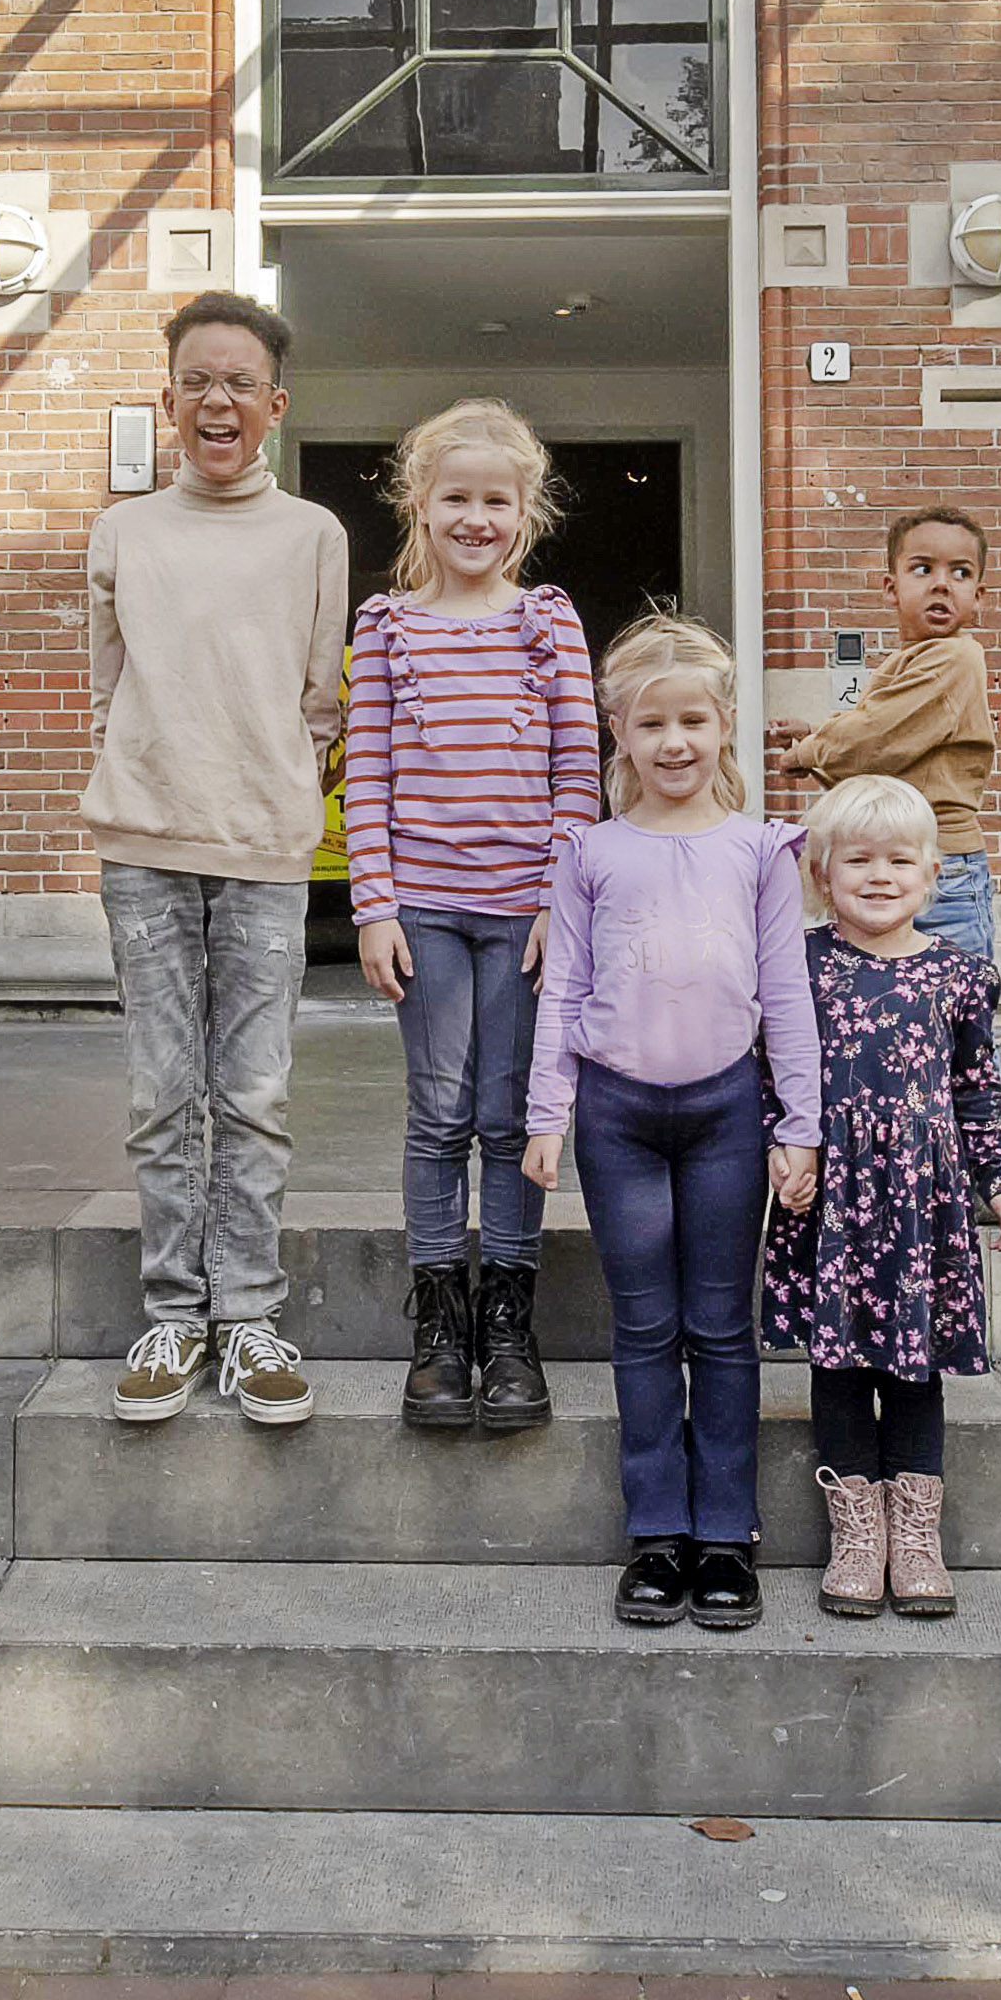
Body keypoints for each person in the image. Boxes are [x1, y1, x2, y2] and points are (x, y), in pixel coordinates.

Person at [522, 615, 821, 1634]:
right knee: (645, 1328)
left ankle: (728, 1536)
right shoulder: (591, 851)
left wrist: (802, 1124)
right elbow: (564, 986)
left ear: (726, 724)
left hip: (728, 1111)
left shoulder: (760, 849)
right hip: (618, 1116)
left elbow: (787, 993)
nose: (676, 742)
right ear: (620, 731)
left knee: (721, 1329)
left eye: (695, 719)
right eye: (654, 724)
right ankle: (657, 1533)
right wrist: (546, 1112)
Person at [87, 292, 349, 1438]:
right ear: (169, 398)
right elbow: (107, 680)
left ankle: (246, 1314)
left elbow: (322, 699)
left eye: (240, 381)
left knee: (253, 1092)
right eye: (197, 380)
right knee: (161, 1092)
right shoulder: (122, 532)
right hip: (143, 839)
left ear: (275, 405)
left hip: (265, 846)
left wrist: (275, 785)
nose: (217, 400)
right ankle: (171, 1312)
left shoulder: (315, 535)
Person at [345, 397, 598, 1435]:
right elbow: (364, 770)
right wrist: (374, 904)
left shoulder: (548, 620)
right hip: (429, 911)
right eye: (457, 496)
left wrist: (559, 900)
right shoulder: (387, 624)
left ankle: (508, 1319)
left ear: (526, 509)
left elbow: (579, 768)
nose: (476, 517)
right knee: (439, 1113)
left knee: (511, 1114)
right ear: (421, 502)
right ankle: (441, 1321)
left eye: (497, 499)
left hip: (524, 914)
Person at [762, 774, 1001, 1620]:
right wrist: (780, 1143)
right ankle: (857, 1535)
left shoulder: (958, 974)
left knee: (914, 1368)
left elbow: (976, 1086)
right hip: (832, 1198)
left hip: (922, 1206)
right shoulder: (799, 965)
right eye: (858, 860)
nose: (879, 875)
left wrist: (999, 1180)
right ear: (820, 874)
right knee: (836, 1365)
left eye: (899, 859)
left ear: (931, 872)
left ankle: (913, 1537)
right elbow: (768, 1069)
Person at [774, 507, 1000, 969]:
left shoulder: (956, 657)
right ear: (890, 588)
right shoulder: (908, 661)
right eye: (923, 569)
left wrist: (809, 751)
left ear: (978, 598)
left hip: (942, 867)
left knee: (954, 1012)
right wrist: (818, 733)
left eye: (960, 573)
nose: (941, 584)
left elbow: (879, 737)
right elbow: (882, 727)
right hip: (898, 858)